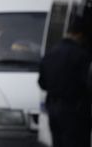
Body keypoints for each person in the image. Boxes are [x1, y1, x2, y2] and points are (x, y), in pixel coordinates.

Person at [38, 16, 92, 147]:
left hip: (53, 108)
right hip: (74, 111)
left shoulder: (50, 53)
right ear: (80, 34)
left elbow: (42, 83)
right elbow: (88, 83)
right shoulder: (82, 55)